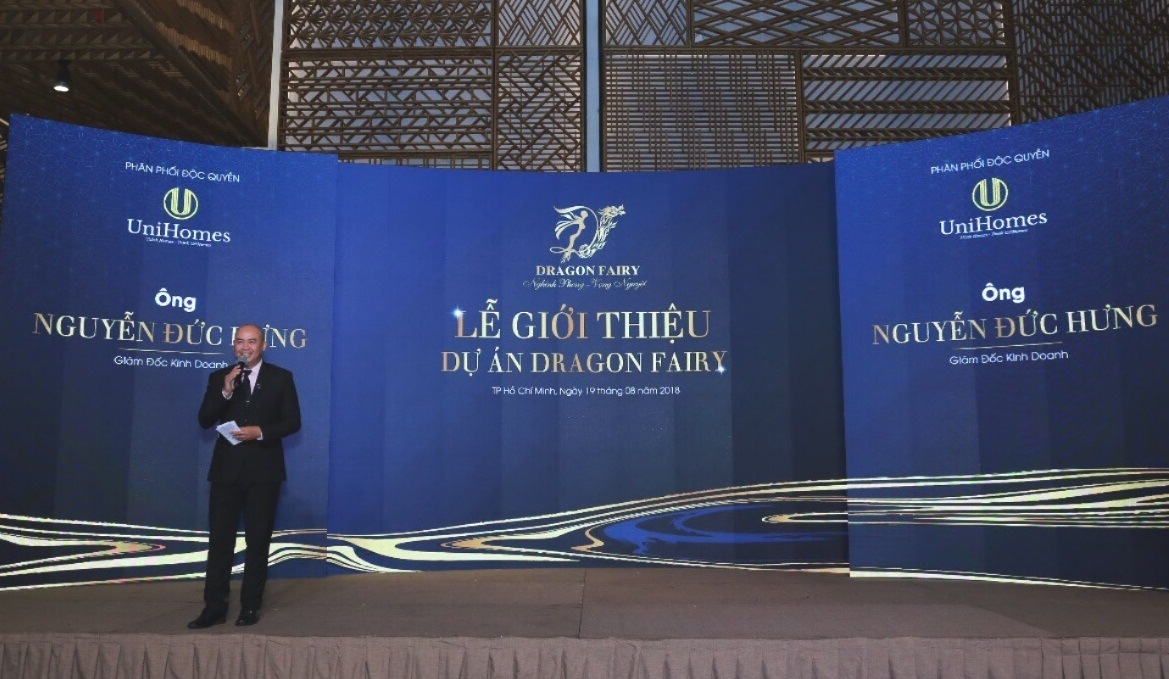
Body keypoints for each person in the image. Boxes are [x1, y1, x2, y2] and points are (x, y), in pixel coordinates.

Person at [187, 324, 301, 628]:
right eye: (240, 341)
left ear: (263, 346)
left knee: (258, 540)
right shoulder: (220, 377)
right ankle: (214, 608)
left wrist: (260, 431)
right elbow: (205, 419)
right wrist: (225, 391)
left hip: (264, 472)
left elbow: (293, 422)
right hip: (226, 471)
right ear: (233, 345)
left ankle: (250, 606)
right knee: (220, 541)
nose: (245, 347)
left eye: (251, 341)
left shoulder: (281, 377)